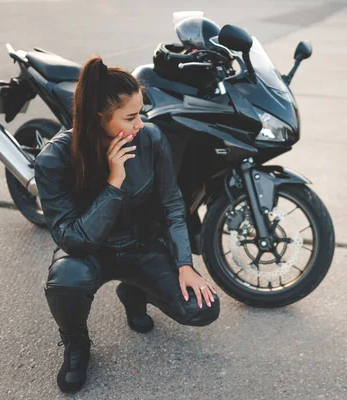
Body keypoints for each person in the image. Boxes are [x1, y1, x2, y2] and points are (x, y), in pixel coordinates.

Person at [34, 56, 220, 393]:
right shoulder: (55, 158)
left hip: (140, 246)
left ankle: (133, 292)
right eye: (131, 117)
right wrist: (113, 183)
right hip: (87, 253)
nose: (140, 124)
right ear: (98, 118)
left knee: (202, 309)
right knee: (66, 281)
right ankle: (77, 344)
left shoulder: (150, 139)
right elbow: (72, 240)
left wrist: (184, 264)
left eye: (141, 113)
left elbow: (172, 205)